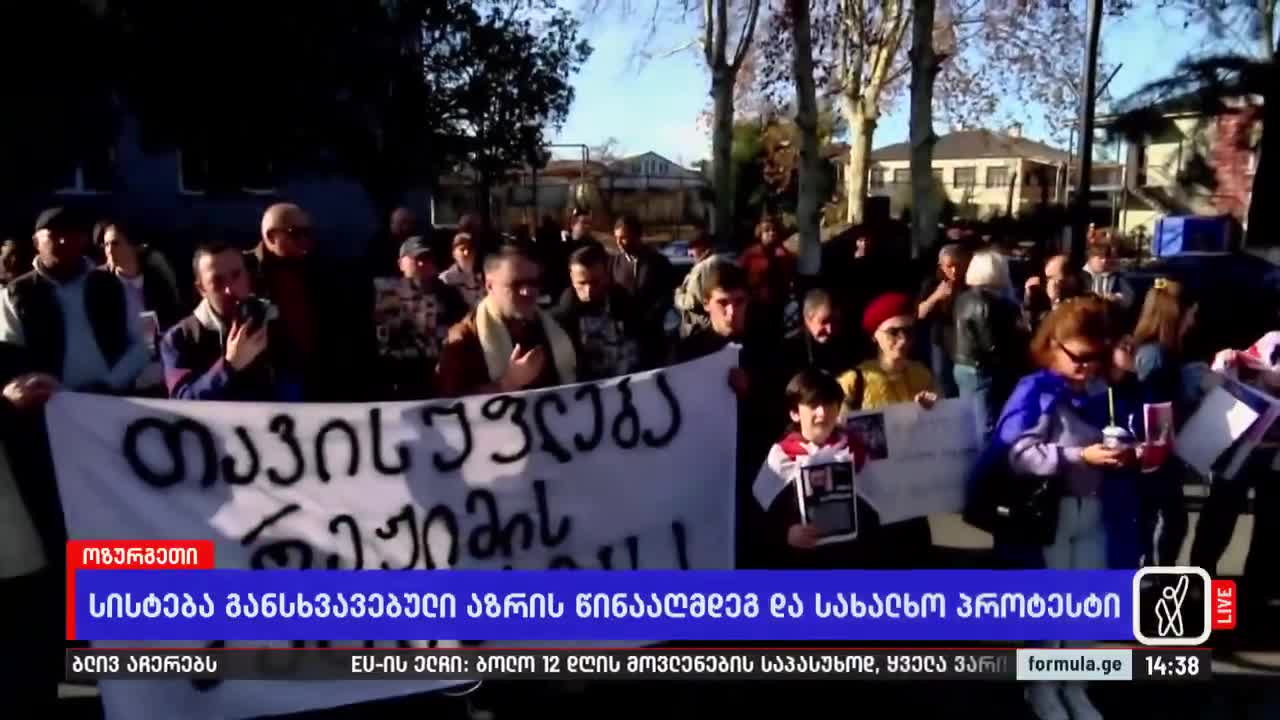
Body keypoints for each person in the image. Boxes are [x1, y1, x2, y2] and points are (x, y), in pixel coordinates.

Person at [982, 296, 1140, 720]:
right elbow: (1017, 454)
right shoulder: (1034, 391)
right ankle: (1042, 689)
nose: (1089, 366)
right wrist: (1077, 456)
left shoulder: (1102, 392)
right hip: (1048, 516)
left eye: (1097, 356)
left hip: (1096, 512)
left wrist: (1132, 453)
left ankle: (1075, 686)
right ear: (1052, 345)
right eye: (1080, 356)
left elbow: (1120, 438)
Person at [677, 262, 781, 567]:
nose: (732, 312)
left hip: (757, 470)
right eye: (723, 303)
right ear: (707, 303)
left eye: (739, 302)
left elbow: (785, 411)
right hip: (706, 471)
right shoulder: (688, 351)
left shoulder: (768, 348)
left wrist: (753, 391)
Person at [0, 206, 150, 394]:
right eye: (53, 235)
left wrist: (110, 383)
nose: (63, 241)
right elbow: (11, 358)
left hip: (112, 402)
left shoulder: (110, 286)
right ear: (36, 242)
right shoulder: (16, 294)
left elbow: (142, 344)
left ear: (83, 240)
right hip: (47, 406)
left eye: (71, 234)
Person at [837, 292, 938, 569]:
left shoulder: (922, 375)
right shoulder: (854, 381)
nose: (903, 340)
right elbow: (834, 435)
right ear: (875, 336)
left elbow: (940, 430)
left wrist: (930, 412)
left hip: (912, 493)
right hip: (870, 496)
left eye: (908, 331)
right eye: (893, 332)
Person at [247, 202, 375, 402]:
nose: (305, 240)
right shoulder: (246, 272)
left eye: (308, 232)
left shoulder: (319, 267)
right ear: (272, 236)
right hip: (271, 376)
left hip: (318, 371)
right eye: (296, 233)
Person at [752, 368, 870, 569]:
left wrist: (924, 410)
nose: (822, 413)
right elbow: (757, 518)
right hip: (801, 566)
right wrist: (786, 534)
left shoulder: (857, 448)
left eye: (829, 403)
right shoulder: (781, 458)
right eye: (813, 405)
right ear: (794, 413)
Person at [436, 246, 577, 397]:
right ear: (489, 285)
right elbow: (448, 404)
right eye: (516, 284)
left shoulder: (555, 328)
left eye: (533, 283)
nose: (527, 292)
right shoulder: (464, 337)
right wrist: (507, 383)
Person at [160, 243, 280, 401]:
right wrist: (229, 366)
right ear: (201, 289)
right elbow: (181, 400)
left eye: (236, 275)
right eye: (217, 281)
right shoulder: (180, 337)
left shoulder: (273, 320)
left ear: (248, 277)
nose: (229, 289)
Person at [1130, 278, 1195, 566]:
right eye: (1192, 312)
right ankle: (1154, 582)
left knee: (1168, 520)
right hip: (1155, 455)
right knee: (1167, 521)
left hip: (1158, 452)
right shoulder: (1156, 357)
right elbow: (1153, 412)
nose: (1193, 320)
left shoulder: (1156, 353)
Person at [374, 237, 468, 399]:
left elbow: (463, 331)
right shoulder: (386, 295)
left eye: (427, 258)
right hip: (398, 383)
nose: (422, 264)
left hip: (441, 382)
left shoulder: (450, 296)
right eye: (416, 259)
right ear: (400, 264)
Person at [954, 248, 1028, 436]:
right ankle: (987, 463)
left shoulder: (963, 298)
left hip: (964, 363)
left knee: (970, 422)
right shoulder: (990, 303)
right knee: (986, 425)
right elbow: (991, 343)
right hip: (984, 369)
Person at [552, 243, 652, 381]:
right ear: (571, 278)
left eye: (595, 282)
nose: (589, 291)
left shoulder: (629, 307)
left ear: (607, 275)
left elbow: (648, 348)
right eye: (582, 283)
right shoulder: (558, 322)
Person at [97, 219, 184, 336]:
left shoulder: (156, 280)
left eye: (115, 243)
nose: (109, 250)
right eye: (106, 244)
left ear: (135, 247)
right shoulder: (99, 281)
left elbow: (171, 319)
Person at [607, 214, 676, 337]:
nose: (618, 243)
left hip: (653, 334)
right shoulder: (613, 263)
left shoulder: (658, 262)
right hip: (624, 335)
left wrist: (653, 314)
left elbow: (669, 294)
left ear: (637, 236)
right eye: (616, 238)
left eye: (623, 238)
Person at [917, 244, 970, 398]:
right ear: (941, 265)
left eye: (958, 265)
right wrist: (936, 297)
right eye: (949, 266)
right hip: (940, 340)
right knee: (942, 381)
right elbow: (919, 313)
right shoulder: (932, 283)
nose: (954, 271)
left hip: (964, 340)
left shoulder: (970, 282)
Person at [738, 215, 796, 338]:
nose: (771, 233)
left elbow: (789, 278)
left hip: (776, 308)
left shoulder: (785, 255)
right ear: (760, 232)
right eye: (767, 230)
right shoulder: (750, 254)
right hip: (754, 307)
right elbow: (738, 276)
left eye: (774, 230)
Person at [780, 289, 857, 380]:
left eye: (835, 322)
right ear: (808, 318)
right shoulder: (791, 349)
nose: (830, 329)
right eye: (824, 322)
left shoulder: (845, 343)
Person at [673, 229, 727, 339]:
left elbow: (692, 301)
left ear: (702, 246)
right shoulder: (718, 261)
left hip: (701, 325)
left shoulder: (704, 267)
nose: (690, 254)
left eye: (692, 248)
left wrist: (678, 295)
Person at [1023, 254, 1082, 331]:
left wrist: (1055, 302)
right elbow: (1030, 330)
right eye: (1048, 278)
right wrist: (1029, 299)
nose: (1050, 283)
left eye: (1053, 278)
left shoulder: (1084, 303)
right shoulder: (1043, 304)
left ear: (1071, 279)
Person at [1081, 242, 1135, 310]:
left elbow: (1128, 298)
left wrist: (1116, 298)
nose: (1104, 261)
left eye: (1107, 257)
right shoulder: (1081, 277)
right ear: (1090, 258)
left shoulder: (1117, 277)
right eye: (1100, 258)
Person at [438, 232, 486, 308]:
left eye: (470, 249)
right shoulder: (445, 279)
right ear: (454, 254)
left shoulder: (484, 278)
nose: (466, 253)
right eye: (462, 249)